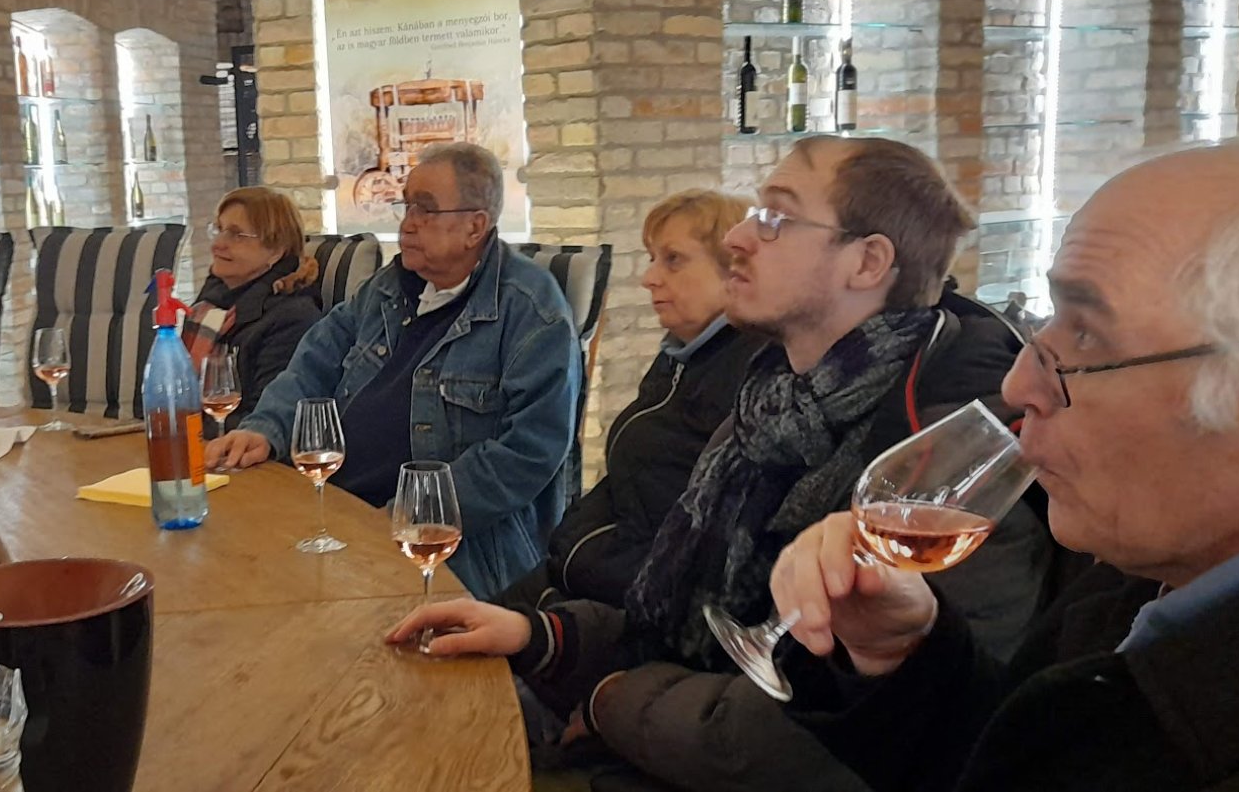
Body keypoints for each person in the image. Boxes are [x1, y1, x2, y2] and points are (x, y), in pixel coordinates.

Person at [385, 137, 1053, 792]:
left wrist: (613, 700)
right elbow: (681, 620)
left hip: (678, 754)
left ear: (867, 261)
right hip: (652, 722)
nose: (738, 238)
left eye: (776, 217)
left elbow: (824, 743)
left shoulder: (950, 460)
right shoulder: (773, 400)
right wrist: (539, 636)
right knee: (397, 698)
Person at [765, 142, 1239, 791]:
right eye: (1052, 321)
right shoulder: (1139, 579)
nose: (1017, 385)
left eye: (1087, 335)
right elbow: (1008, 761)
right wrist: (904, 653)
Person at [207, 143, 581, 598]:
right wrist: (265, 428)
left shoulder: (533, 313)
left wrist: (407, 515)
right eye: (406, 206)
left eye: (425, 209)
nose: (407, 222)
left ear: (475, 226)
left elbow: (529, 453)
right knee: (219, 565)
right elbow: (313, 363)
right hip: (334, 513)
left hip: (448, 549)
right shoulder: (388, 287)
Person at [495, 189, 766, 613]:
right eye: (653, 258)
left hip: (635, 609)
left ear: (734, 268)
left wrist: (569, 576)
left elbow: (690, 557)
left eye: (673, 260)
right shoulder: (682, 356)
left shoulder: (750, 377)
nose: (649, 278)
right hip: (583, 575)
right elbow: (627, 487)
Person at [184, 187, 322, 433]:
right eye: (218, 229)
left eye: (236, 235)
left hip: (242, 452)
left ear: (276, 251)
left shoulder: (293, 317)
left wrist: (181, 424)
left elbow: (266, 419)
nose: (217, 244)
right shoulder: (211, 306)